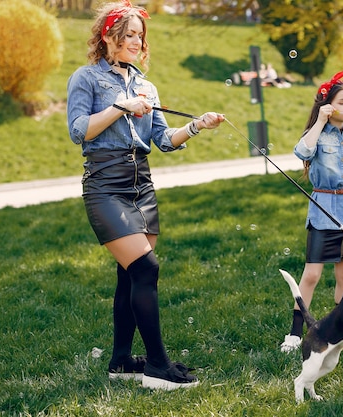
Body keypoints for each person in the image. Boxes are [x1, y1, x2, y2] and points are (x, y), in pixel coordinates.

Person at [66, 0, 224, 390]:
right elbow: (78, 130)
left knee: (131, 275)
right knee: (146, 268)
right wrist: (121, 107)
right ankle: (157, 366)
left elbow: (165, 141)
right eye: (129, 34)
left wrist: (197, 126)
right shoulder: (85, 78)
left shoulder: (146, 85)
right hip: (106, 184)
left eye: (140, 35)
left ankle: (121, 362)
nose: (136, 41)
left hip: (143, 185)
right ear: (108, 36)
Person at [280, 70, 343, 352]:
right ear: (327, 105)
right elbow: (302, 152)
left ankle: (337, 331)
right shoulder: (317, 133)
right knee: (311, 274)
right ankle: (295, 333)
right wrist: (321, 120)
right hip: (323, 209)